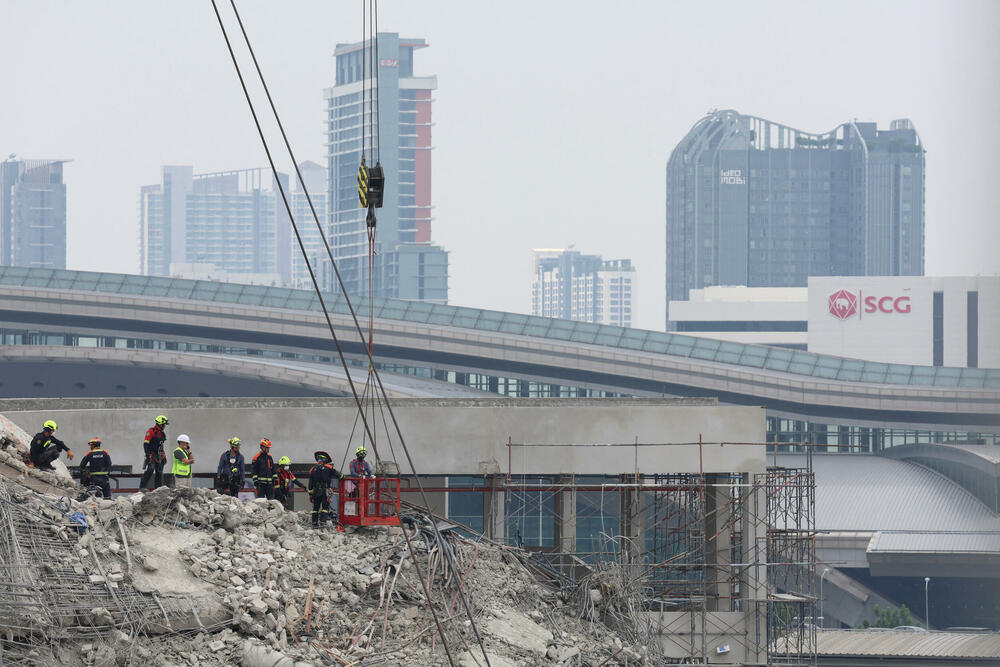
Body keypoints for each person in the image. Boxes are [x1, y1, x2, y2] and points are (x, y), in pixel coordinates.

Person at [307, 450, 342, 528]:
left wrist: (310, 494)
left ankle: (314, 523)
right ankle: (323, 522)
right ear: (325, 460)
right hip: (325, 490)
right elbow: (339, 475)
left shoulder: (312, 469)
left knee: (315, 508)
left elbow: (310, 483)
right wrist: (343, 477)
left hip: (316, 491)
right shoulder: (328, 467)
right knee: (325, 507)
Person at [139, 415, 168, 489]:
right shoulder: (150, 432)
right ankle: (142, 487)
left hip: (159, 455)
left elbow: (161, 445)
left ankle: (158, 489)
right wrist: (148, 455)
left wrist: (163, 454)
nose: (164, 426)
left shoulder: (162, 434)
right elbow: (146, 444)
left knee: (159, 472)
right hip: (152, 454)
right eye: (163, 425)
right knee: (150, 470)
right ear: (160, 424)